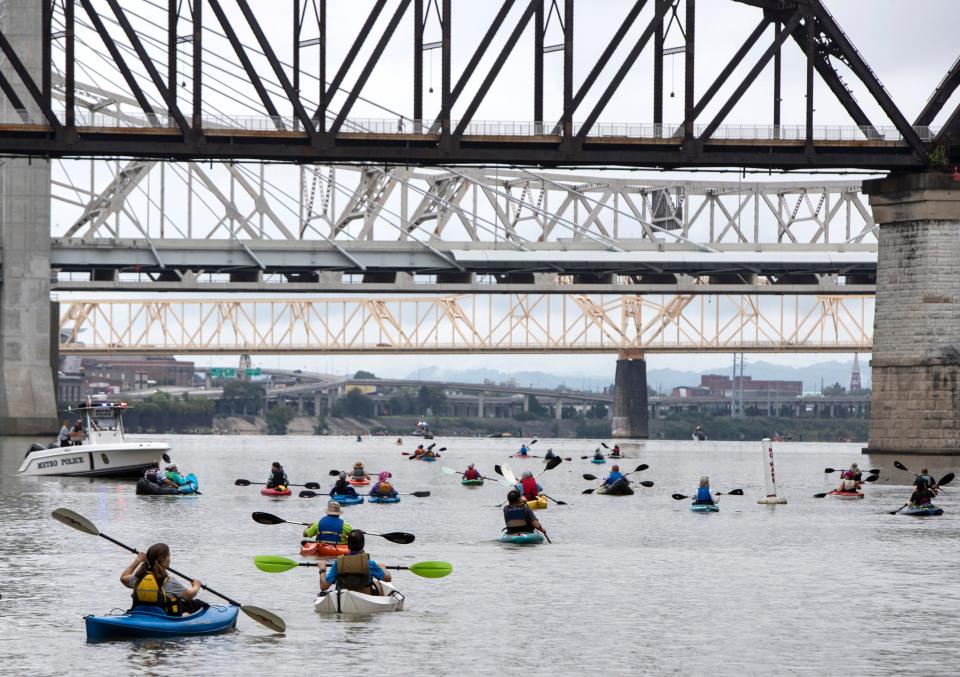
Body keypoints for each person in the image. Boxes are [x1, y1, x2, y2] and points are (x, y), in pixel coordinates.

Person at [120, 543, 204, 616]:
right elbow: (189, 596)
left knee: (185, 604)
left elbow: (123, 578)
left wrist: (138, 560)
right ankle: (185, 616)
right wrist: (196, 585)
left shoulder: (138, 578)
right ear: (163, 560)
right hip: (165, 617)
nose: (169, 559)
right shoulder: (170, 581)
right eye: (169, 556)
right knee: (195, 604)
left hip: (140, 612)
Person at [319, 530, 392, 595]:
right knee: (379, 584)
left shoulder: (338, 563)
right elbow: (387, 579)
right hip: (366, 597)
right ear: (363, 545)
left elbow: (324, 586)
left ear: (347, 544)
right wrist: (383, 568)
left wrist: (322, 569)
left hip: (344, 597)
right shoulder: (369, 564)